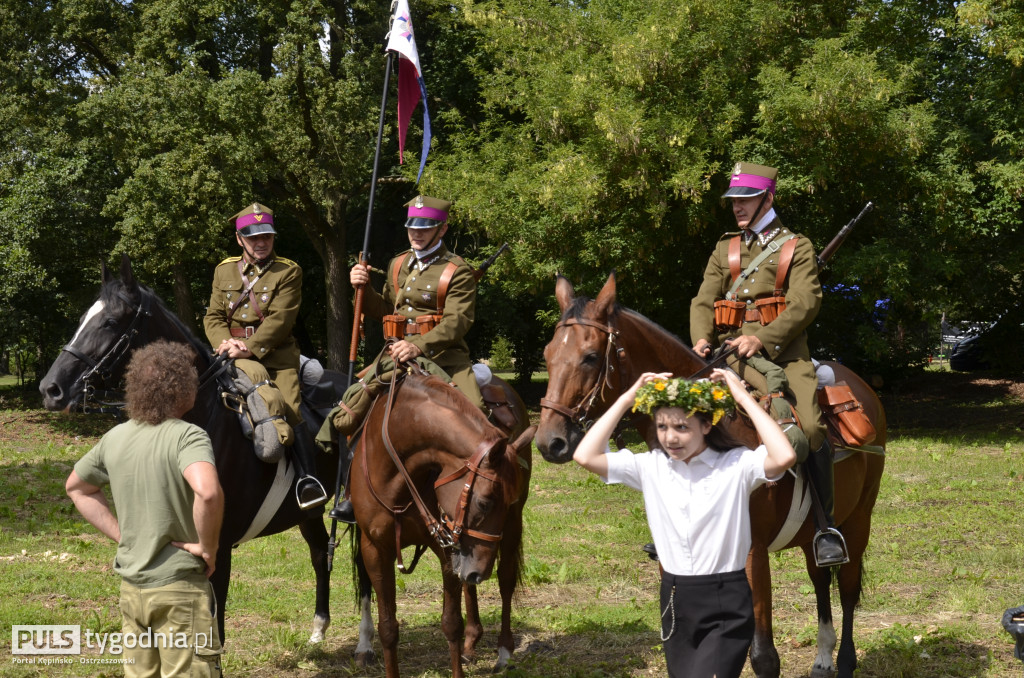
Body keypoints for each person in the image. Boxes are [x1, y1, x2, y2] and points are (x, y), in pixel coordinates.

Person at [573, 368, 796, 678]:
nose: (670, 437)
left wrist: (742, 396)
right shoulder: (650, 467)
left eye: (681, 426)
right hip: (676, 598)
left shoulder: (737, 465)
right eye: (662, 426)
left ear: (707, 424)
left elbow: (784, 456)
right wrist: (627, 399)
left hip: (726, 599)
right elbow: (585, 455)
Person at [689, 161, 847, 567]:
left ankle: (825, 527)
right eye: (734, 200)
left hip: (782, 354)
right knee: (684, 418)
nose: (737, 207)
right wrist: (703, 340)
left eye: (746, 199)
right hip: (728, 355)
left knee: (810, 427)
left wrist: (762, 336)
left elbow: (805, 303)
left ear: (767, 198)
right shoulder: (726, 247)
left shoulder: (797, 246)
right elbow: (704, 299)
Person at [65, 340, 225, 677]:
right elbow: (208, 492)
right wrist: (207, 548)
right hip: (179, 591)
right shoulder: (187, 436)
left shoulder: (115, 437)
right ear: (182, 389)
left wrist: (123, 535)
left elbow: (76, 487)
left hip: (131, 591)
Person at [328, 195, 482, 524]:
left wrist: (419, 346)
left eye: (425, 227)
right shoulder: (399, 264)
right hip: (394, 355)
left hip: (444, 357)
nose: (417, 233)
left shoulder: (457, 270)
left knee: (478, 417)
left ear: (441, 229)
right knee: (352, 410)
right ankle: (352, 493)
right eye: (413, 227)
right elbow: (386, 310)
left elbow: (458, 322)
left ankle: (481, 495)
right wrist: (363, 287)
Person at [204, 201, 328, 510]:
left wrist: (247, 346)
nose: (261, 243)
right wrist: (224, 344)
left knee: (290, 406)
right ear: (239, 239)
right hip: (227, 355)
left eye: (267, 237)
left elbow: (280, 320)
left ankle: (307, 479)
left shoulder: (288, 270)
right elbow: (213, 316)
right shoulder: (224, 270)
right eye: (253, 237)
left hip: (274, 356)